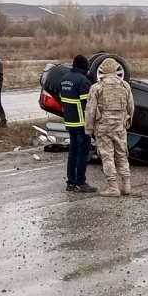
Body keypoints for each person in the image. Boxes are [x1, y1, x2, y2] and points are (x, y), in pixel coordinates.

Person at [85, 58, 135, 197]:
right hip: (120, 126)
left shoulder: (97, 88)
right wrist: (128, 121)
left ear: (103, 71)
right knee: (122, 154)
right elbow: (131, 107)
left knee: (107, 156)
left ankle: (113, 187)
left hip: (103, 128)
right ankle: (126, 186)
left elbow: (90, 111)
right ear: (114, 70)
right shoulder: (125, 85)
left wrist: (88, 129)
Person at [60, 55, 96, 193]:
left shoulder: (64, 79)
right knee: (82, 153)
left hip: (70, 122)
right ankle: (80, 182)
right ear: (84, 67)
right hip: (82, 124)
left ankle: (70, 182)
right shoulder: (83, 81)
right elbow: (87, 105)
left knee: (72, 152)